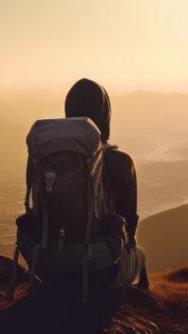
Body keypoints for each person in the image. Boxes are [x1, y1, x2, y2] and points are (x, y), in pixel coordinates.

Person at [62, 78, 147, 290]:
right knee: (140, 255)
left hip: (50, 267)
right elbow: (130, 226)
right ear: (104, 116)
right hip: (102, 272)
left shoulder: (46, 159)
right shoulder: (120, 162)